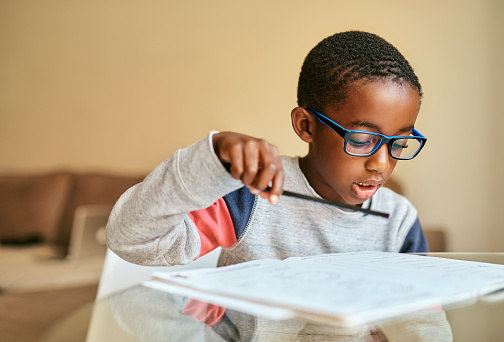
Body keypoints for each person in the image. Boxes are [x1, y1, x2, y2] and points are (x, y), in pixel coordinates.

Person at [106, 30, 429, 268]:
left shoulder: (398, 220)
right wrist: (210, 157)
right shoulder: (250, 196)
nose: (382, 164)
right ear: (306, 126)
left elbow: (420, 316)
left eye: (400, 142)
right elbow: (133, 241)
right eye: (361, 139)